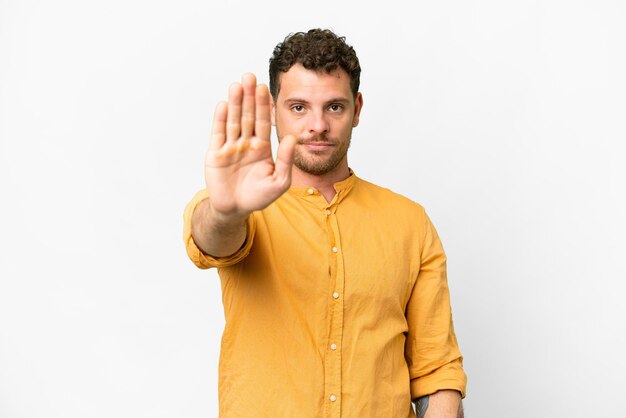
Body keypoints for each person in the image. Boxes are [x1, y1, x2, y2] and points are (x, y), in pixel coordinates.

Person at [183, 28, 467, 418]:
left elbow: (436, 370)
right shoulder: (238, 208)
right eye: (298, 107)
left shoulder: (409, 222)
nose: (317, 125)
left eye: (334, 107)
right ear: (272, 109)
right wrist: (228, 211)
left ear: (357, 108)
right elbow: (212, 240)